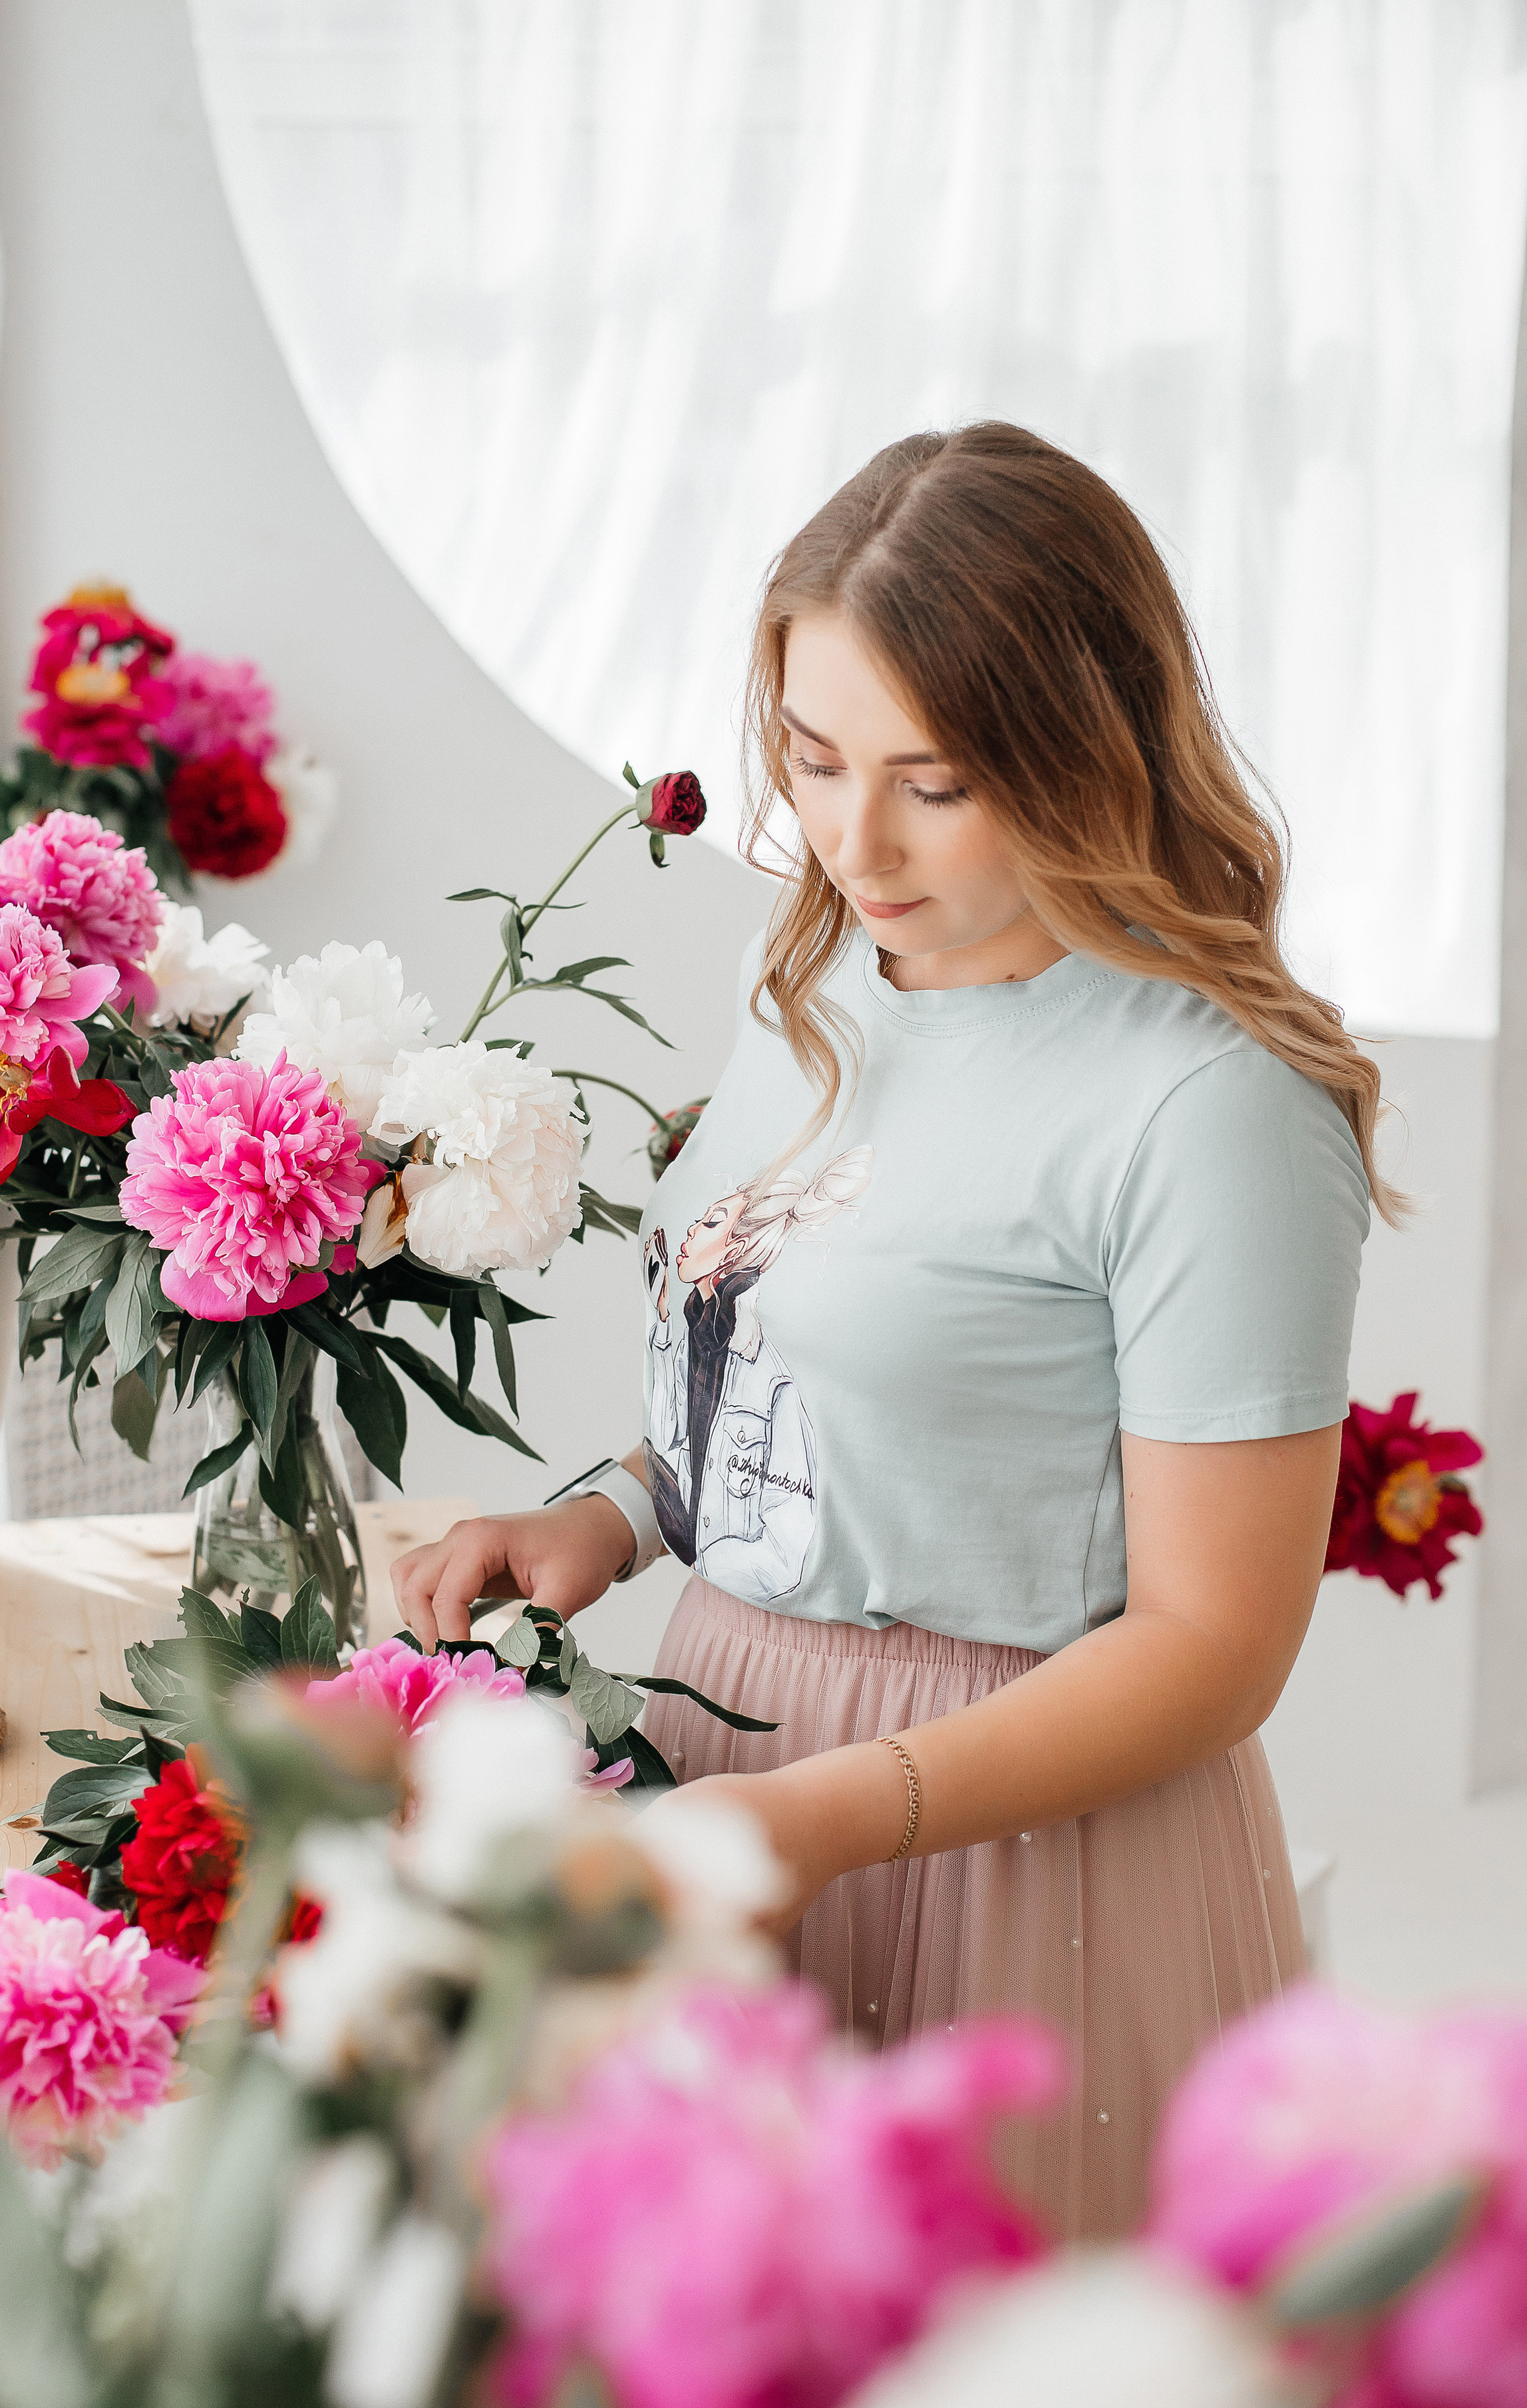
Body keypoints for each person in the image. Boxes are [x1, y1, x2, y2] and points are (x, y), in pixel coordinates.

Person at [391, 424, 1381, 2238]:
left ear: (1090, 751)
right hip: (727, 1779)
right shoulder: (827, 990)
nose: (852, 841)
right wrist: (606, 1518)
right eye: (816, 757)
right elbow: (783, 1378)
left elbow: (1216, 1647)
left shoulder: (1211, 1111)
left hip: (1015, 1852)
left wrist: (843, 1811)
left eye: (936, 780)